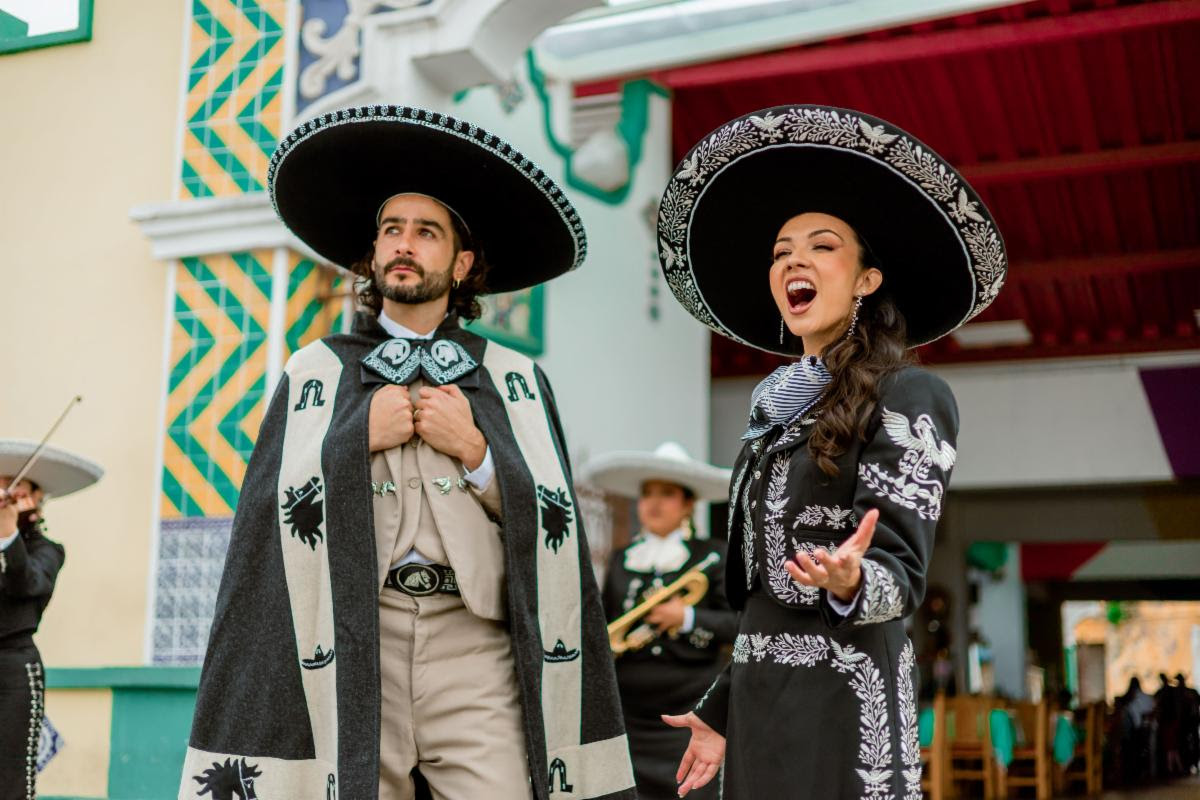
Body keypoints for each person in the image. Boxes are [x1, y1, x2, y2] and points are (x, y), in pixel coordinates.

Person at [179, 106, 635, 800]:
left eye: (427, 232)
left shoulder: (512, 378)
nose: (404, 243)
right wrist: (354, 441)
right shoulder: (316, 373)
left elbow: (554, 521)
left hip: (474, 645)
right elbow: (266, 523)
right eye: (392, 229)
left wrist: (478, 452)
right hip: (356, 639)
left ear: (462, 262)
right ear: (372, 255)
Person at [653, 104, 1008, 797]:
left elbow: (900, 574)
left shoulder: (912, 395)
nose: (794, 261)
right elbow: (759, 595)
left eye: (821, 246)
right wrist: (721, 708)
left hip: (848, 701)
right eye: (782, 251)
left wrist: (851, 578)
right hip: (757, 702)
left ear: (866, 280)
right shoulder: (770, 407)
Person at [583, 442, 737, 799]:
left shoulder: (711, 556)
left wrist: (686, 617)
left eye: (666, 494)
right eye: (647, 493)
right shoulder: (624, 558)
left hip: (689, 706)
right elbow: (607, 623)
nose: (653, 503)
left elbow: (738, 624)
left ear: (687, 505)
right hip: (630, 711)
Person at [0, 440, 103, 800]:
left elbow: (24, 583)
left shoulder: (47, 550)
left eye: (17, 491)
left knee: (12, 777)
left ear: (36, 501)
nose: (8, 497)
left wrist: (8, 533)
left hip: (13, 670)